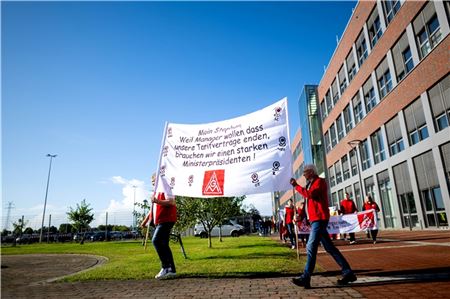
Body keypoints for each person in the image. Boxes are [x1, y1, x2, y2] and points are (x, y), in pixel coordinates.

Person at [290, 164, 357, 288]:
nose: (303, 174)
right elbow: (308, 204)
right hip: (315, 220)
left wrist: (296, 186)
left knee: (311, 246)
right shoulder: (309, 185)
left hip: (319, 219)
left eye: (305, 172)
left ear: (311, 172)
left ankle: (306, 277)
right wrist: (301, 216)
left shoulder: (320, 182)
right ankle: (348, 272)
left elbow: (311, 195)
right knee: (330, 248)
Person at [141, 191, 177, 279]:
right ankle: (172, 270)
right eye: (153, 182)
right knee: (164, 245)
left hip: (166, 219)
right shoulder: (156, 192)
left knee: (156, 241)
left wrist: (157, 201)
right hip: (160, 220)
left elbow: (171, 201)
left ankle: (165, 267)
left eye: (154, 181)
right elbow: (152, 210)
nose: (153, 184)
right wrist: (145, 221)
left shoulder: (165, 189)